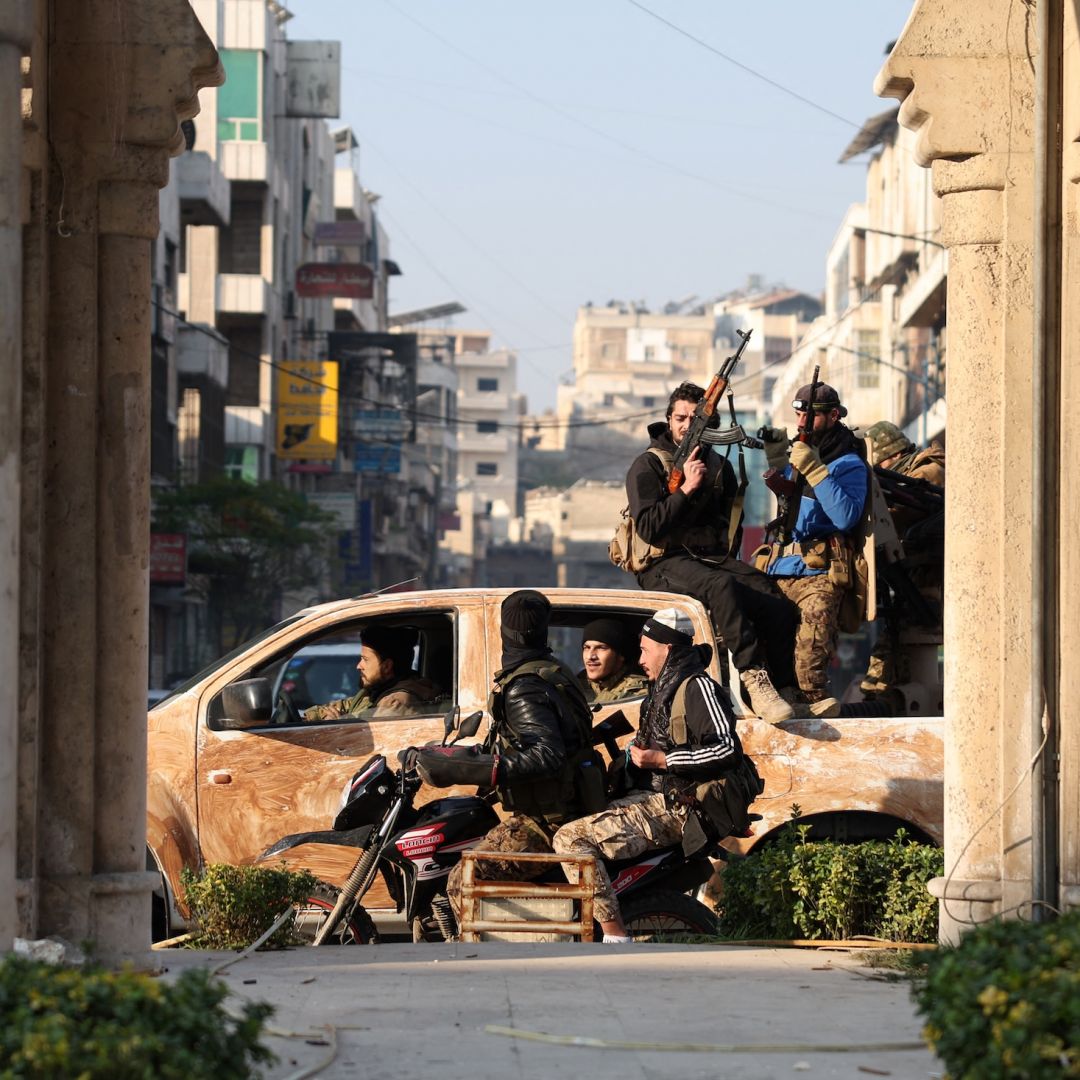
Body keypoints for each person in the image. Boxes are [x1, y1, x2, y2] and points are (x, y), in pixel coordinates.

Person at [553, 607, 752, 943]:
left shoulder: (697, 686)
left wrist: (662, 759)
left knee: (571, 840)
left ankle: (614, 936)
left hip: (677, 804)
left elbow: (726, 750)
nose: (640, 656)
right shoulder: (661, 688)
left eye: (645, 649)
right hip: (652, 797)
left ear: (667, 648)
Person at [418, 590, 600, 924]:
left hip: (548, 820)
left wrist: (489, 769)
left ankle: (493, 959)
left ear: (505, 632)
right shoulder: (553, 672)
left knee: (462, 880)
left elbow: (546, 754)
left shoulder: (525, 687)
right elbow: (522, 741)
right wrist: (459, 755)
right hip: (568, 804)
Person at [627, 382, 797, 725]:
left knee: (775, 600)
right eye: (680, 417)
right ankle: (753, 676)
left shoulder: (719, 467)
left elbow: (728, 527)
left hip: (707, 559)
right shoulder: (649, 465)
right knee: (721, 587)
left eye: (696, 418)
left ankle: (786, 687)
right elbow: (648, 526)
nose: (688, 425)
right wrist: (686, 489)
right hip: (662, 562)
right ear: (669, 420)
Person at [758, 382, 870, 718]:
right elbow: (790, 511)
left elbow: (846, 516)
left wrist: (816, 470)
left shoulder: (847, 462)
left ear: (833, 415)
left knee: (808, 670)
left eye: (811, 414)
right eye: (798, 413)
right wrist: (780, 462)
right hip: (781, 567)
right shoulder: (800, 452)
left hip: (819, 572)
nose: (802, 420)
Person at [860, 421, 946, 697]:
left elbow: (898, 514)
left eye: (880, 464)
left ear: (894, 455)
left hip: (934, 583)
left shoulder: (931, 470)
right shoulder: (903, 478)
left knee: (906, 649)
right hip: (915, 580)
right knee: (888, 657)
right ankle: (877, 698)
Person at [302, 625, 441, 721]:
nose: (358, 666)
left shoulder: (396, 703)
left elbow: (372, 745)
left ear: (386, 666)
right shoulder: (374, 692)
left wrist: (336, 727)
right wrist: (310, 717)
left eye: (365, 660)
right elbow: (344, 706)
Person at [578, 618, 648, 703]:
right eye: (587, 647)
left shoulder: (638, 692)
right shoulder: (575, 685)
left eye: (601, 648)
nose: (590, 656)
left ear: (620, 655)